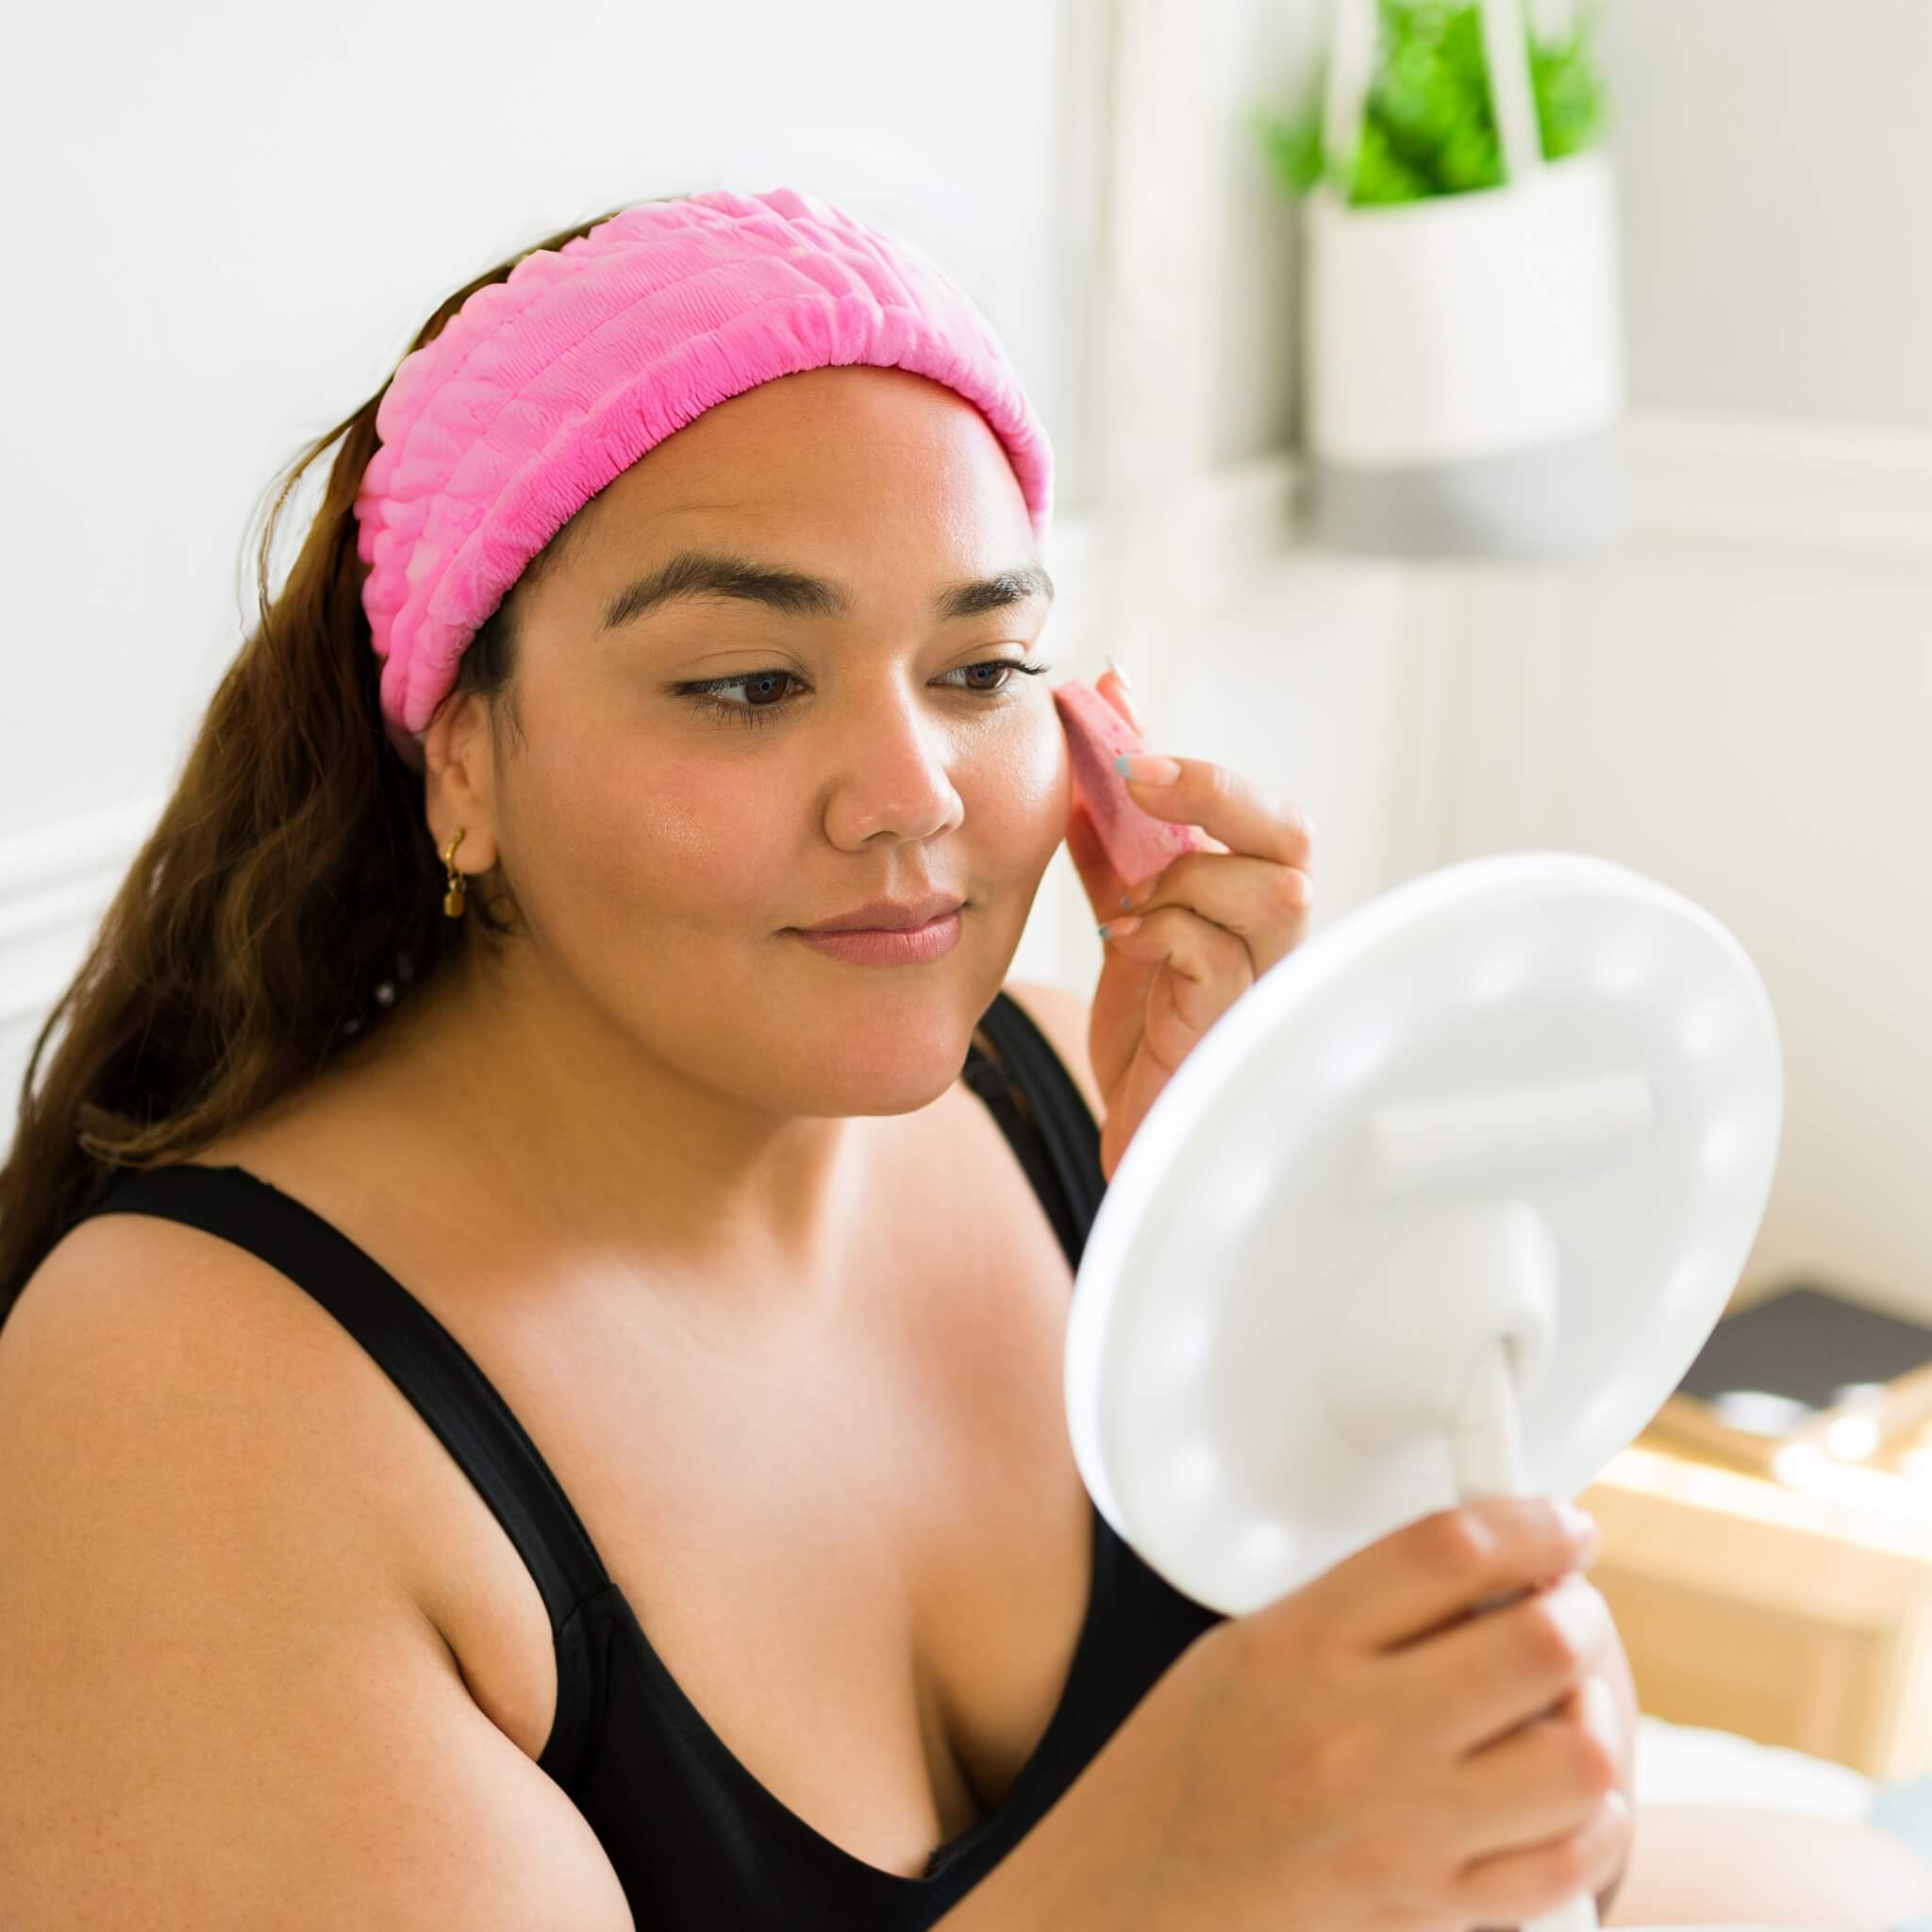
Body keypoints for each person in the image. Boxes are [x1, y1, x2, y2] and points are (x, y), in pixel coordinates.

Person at [4, 182, 1893, 1931]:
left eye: (980, 669)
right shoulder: (185, 1401)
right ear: (465, 763)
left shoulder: (1083, 1108)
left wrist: (1292, 1298)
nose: (911, 799)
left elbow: (1494, 1834)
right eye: (745, 683)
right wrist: (1161, 1874)